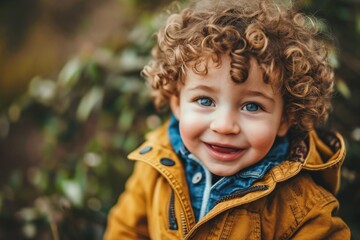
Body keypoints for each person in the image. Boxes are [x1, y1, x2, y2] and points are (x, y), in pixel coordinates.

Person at [104, 0, 351, 239]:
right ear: (176, 102)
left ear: (286, 118)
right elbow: (126, 229)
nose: (224, 126)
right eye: (204, 101)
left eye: (252, 106)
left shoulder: (304, 210)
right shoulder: (156, 161)